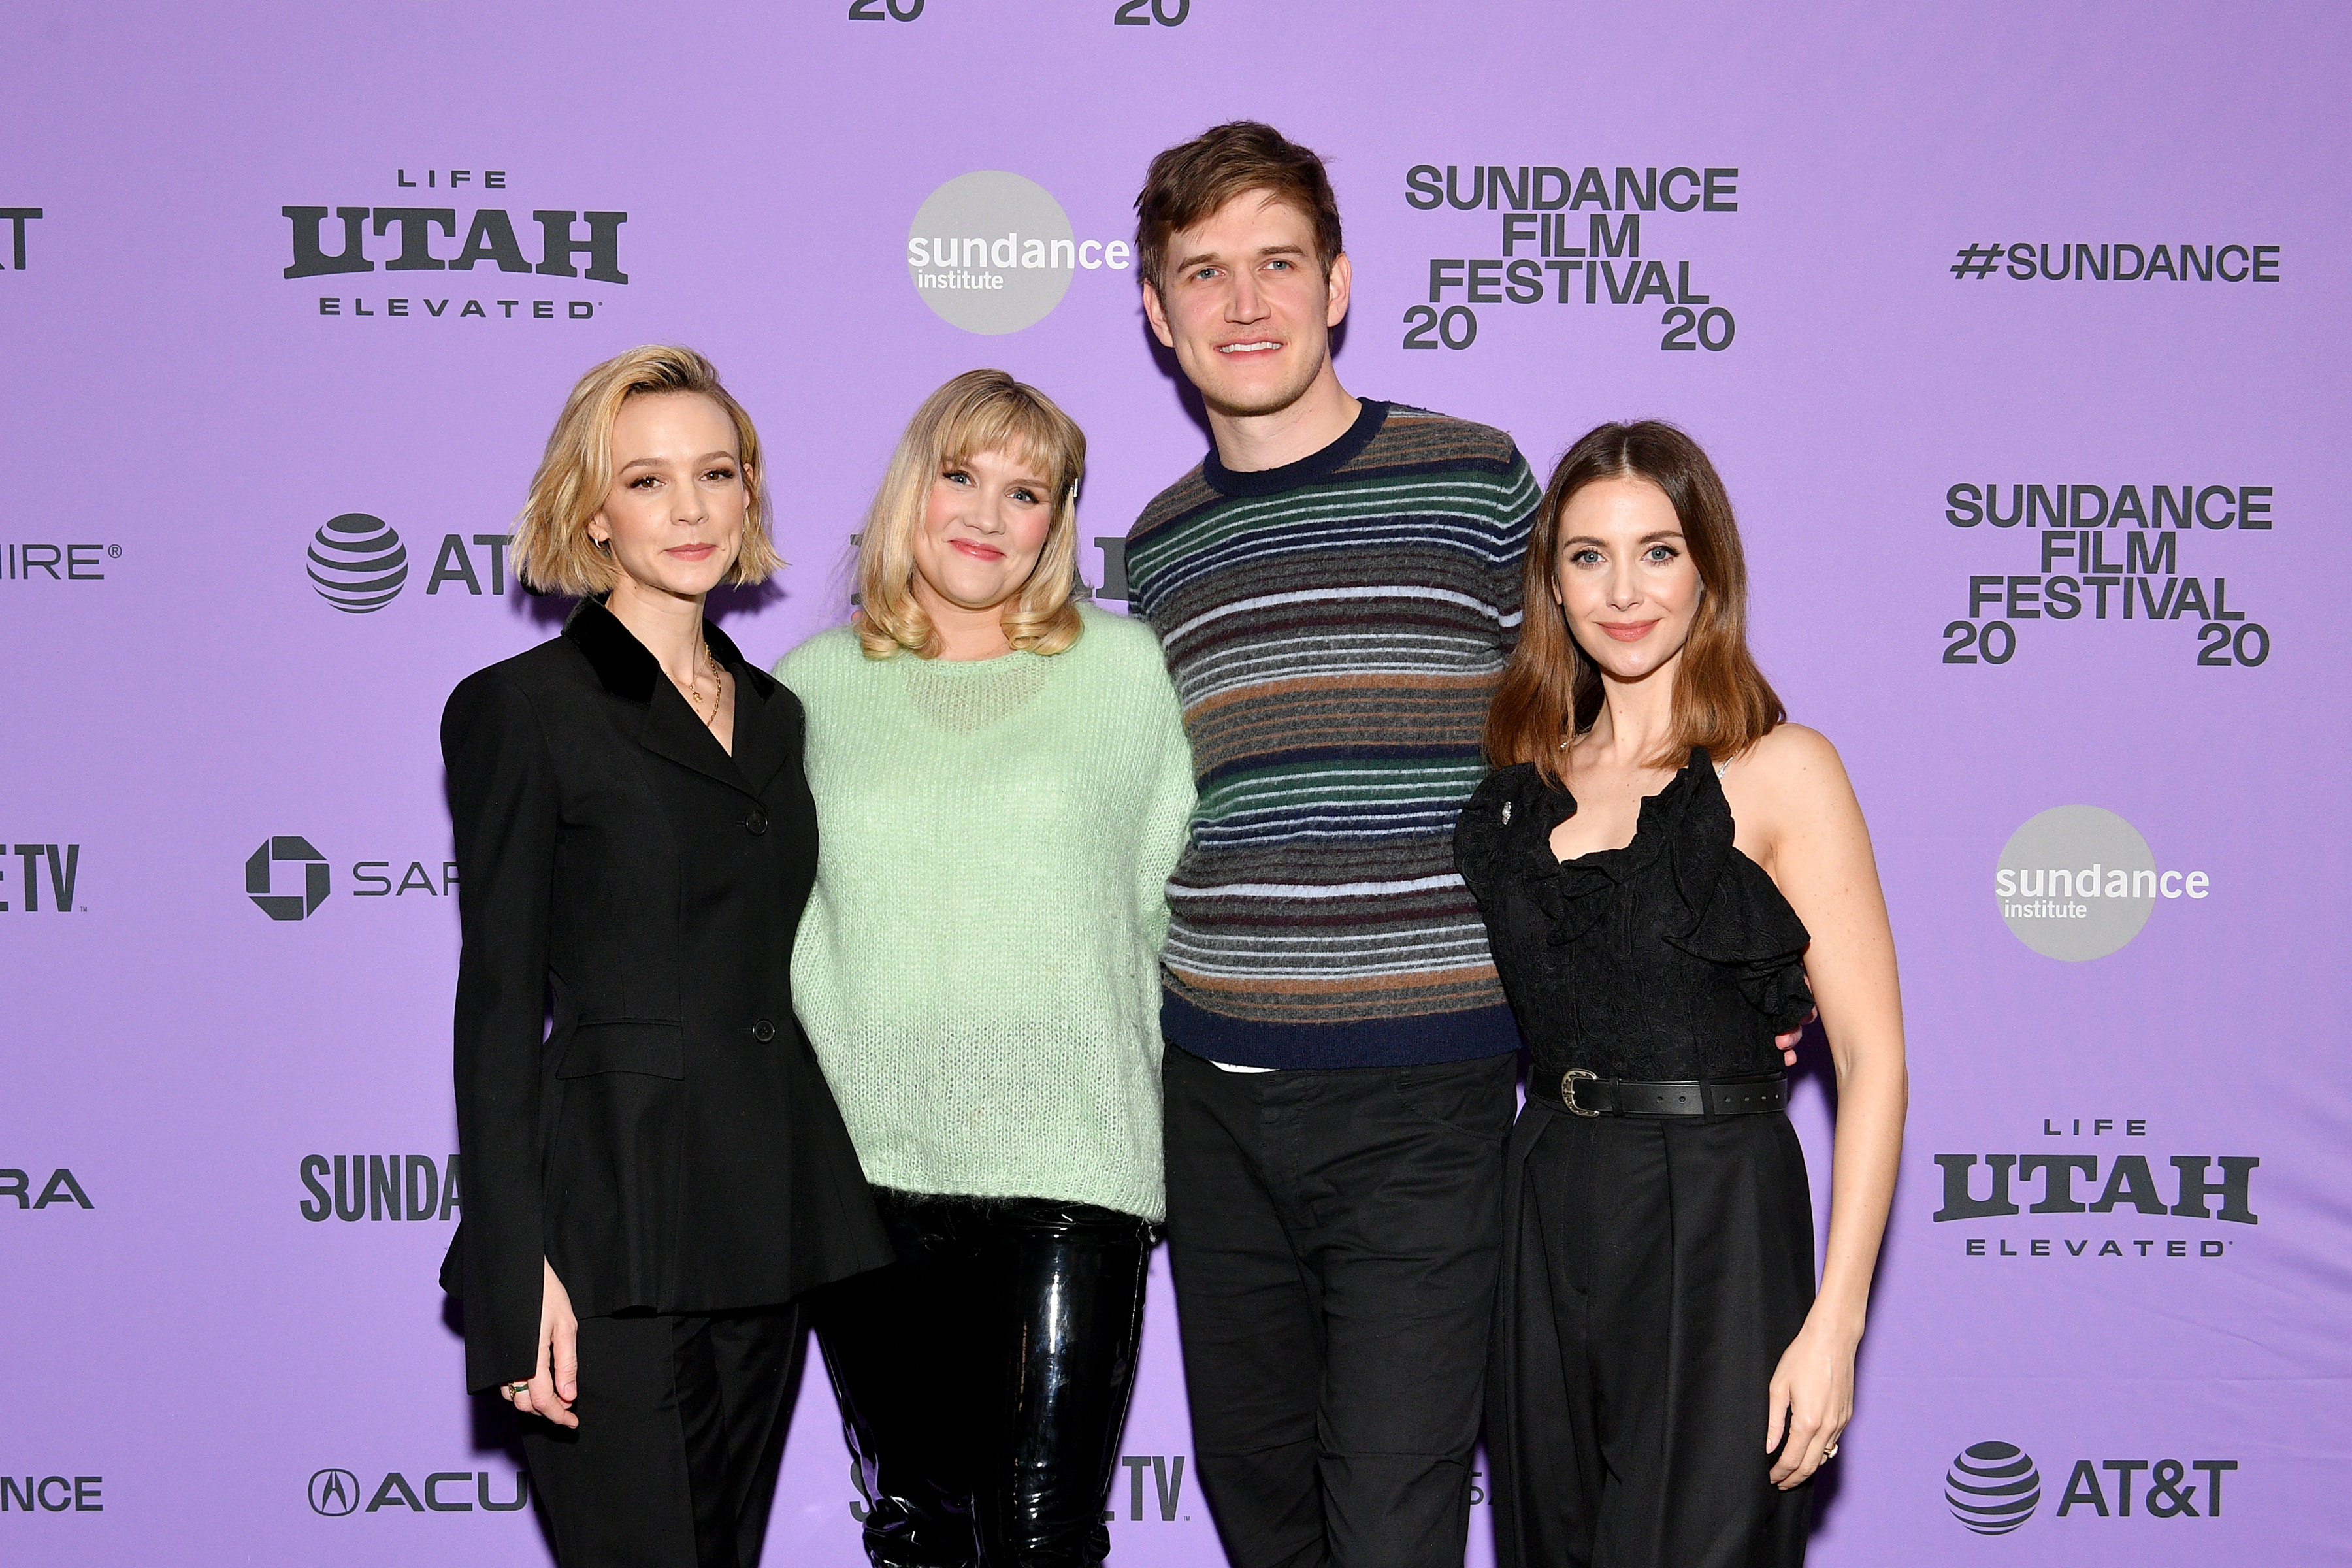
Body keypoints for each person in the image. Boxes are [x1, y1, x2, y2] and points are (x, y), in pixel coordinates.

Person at [1118, 120, 1537, 1568]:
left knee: (1394, 1523)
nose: (1247, 305)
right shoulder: (1157, 546)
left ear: (1340, 283)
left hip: (1427, 1097)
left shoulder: (1478, 483)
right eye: (1205, 273)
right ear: (1158, 317)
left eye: (1278, 262)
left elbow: (1601, 752)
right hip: (1215, 1101)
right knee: (1263, 1515)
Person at [440, 345, 890, 1568]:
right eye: (647, 480)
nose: (690, 509)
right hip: (609, 1221)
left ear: (750, 492)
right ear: (592, 509)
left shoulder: (779, 714)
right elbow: (494, 1006)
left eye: (717, 472)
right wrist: (511, 1261)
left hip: (769, 1213)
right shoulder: (523, 707)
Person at [1453, 420, 1908, 1567]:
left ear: (1708, 568)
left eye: (1657, 550)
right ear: (1550, 583)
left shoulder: (1783, 768)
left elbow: (1873, 1062)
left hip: (1719, 1216)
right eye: (1587, 556)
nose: (1623, 590)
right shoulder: (1523, 785)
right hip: (1547, 1198)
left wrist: (1836, 1328)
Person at [774, 368, 1196, 1568]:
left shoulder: (1126, 676)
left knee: (1039, 1533)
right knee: (917, 1525)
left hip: (1073, 1163)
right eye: (961, 476)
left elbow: (1177, 908)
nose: (987, 514)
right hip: (863, 1179)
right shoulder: (810, 690)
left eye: (1028, 492)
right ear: (914, 487)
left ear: (1058, 524)